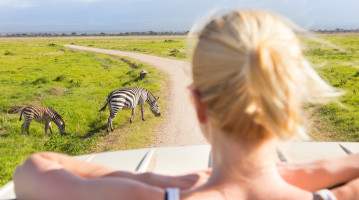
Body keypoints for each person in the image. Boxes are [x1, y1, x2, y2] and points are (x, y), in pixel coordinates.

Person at [13, 10, 359, 200]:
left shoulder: (152, 195)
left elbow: (34, 168)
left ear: (198, 104)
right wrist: (304, 172)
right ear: (292, 107)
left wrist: (154, 179)